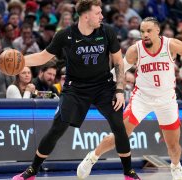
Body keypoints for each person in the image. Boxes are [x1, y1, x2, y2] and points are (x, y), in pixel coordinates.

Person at [12, 0, 139, 179]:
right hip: (76, 88)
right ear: (86, 16)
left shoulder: (107, 31)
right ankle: (32, 170)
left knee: (119, 126)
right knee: (58, 128)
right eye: (98, 13)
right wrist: (20, 61)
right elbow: (42, 57)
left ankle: (129, 173)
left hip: (104, 86)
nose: (102, 16)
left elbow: (118, 62)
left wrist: (119, 89)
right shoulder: (65, 35)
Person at [76, 17, 182, 180]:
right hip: (142, 98)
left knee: (173, 145)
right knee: (120, 135)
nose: (145, 34)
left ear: (158, 31)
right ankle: (92, 158)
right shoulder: (135, 49)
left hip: (166, 100)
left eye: (148, 31)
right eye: (142, 31)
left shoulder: (171, 44)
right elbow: (120, 69)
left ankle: (175, 166)